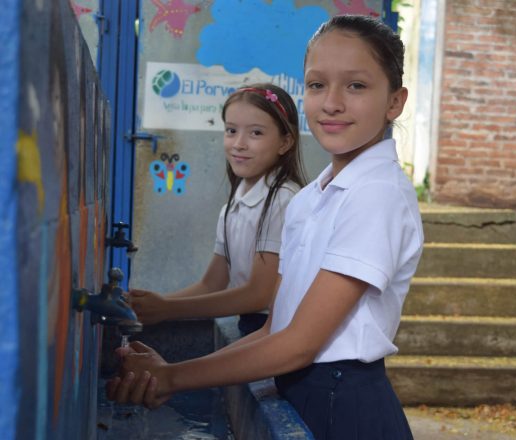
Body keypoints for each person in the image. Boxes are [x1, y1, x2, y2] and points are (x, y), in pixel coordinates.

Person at [108, 15, 423, 439]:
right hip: (300, 390)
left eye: (356, 86)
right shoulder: (313, 198)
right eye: (316, 85)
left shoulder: (376, 194)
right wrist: (170, 371)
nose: (331, 102)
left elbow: (300, 343)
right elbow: (276, 329)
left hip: (345, 406)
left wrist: (174, 378)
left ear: (395, 102)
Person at [129, 83, 306, 335]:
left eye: (256, 133)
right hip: (251, 328)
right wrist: (151, 306)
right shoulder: (233, 206)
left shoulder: (282, 200)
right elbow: (211, 284)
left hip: (276, 332)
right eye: (231, 130)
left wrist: (167, 309)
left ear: (285, 142)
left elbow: (258, 295)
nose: (239, 144)